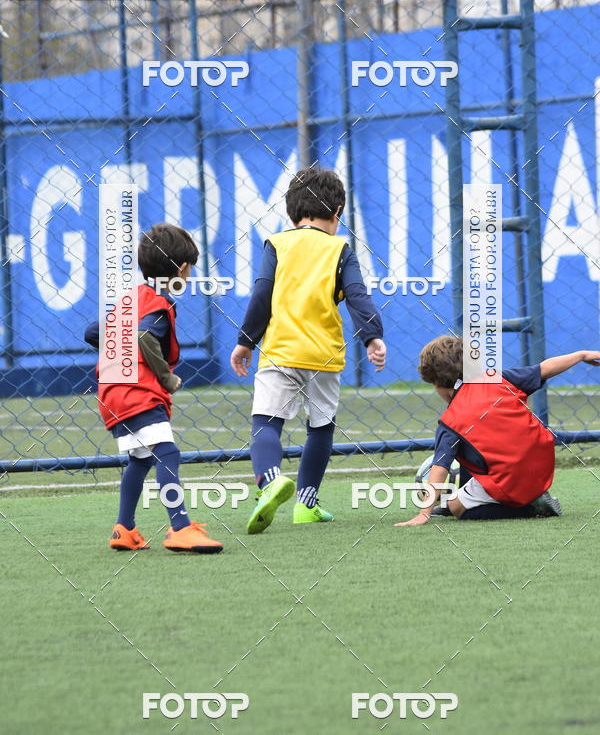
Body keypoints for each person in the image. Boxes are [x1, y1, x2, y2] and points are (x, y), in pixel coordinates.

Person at [230, 167, 386, 534]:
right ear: (337, 214)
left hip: (280, 352)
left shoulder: (277, 244)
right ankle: (307, 504)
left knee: (266, 421)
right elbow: (358, 297)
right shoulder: (340, 249)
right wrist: (372, 337)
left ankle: (270, 481)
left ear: (291, 212)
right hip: (324, 356)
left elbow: (261, 295)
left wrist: (245, 342)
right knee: (321, 428)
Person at [85, 222, 223, 553]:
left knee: (141, 458)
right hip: (139, 393)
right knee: (167, 453)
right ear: (183, 269)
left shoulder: (131, 299)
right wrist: (166, 377)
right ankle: (180, 527)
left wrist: (119, 358)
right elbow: (145, 336)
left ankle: (125, 528)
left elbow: (93, 333)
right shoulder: (159, 304)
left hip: (112, 394)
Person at [396, 335, 600, 526]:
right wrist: (581, 355)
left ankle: (530, 508)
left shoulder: (450, 423)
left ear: (438, 383)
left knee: (456, 507)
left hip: (512, 480)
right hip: (542, 467)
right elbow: (544, 369)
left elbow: (439, 468)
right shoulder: (501, 380)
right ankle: (527, 497)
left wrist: (424, 513)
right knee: (474, 445)